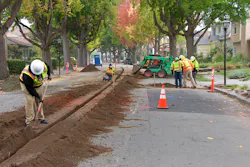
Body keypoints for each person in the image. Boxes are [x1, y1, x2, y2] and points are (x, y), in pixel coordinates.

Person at [20, 59, 51, 127]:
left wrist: (49, 75)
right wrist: (38, 96)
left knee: (40, 102)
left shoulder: (43, 66)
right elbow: (30, 89)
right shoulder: (27, 75)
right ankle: (29, 121)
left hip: (38, 85)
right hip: (27, 86)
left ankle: (41, 118)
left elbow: (48, 68)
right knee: (29, 101)